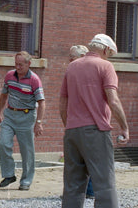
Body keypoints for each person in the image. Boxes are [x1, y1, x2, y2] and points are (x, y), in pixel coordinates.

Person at [59, 34, 130, 208]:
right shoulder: (105, 66)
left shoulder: (72, 67)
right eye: (109, 53)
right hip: (96, 131)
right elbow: (113, 100)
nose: (109, 57)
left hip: (72, 131)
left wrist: (69, 125)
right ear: (105, 49)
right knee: (104, 184)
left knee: (72, 185)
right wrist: (124, 127)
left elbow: (62, 102)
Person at [0, 51, 46, 191]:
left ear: (29, 64)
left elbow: (42, 103)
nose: (17, 67)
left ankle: (26, 181)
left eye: (21, 64)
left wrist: (39, 123)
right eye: (16, 64)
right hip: (10, 115)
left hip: (27, 117)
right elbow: (3, 96)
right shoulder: (9, 76)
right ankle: (9, 175)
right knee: (3, 143)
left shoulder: (34, 79)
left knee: (27, 151)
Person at [68, 44, 94, 199]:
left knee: (89, 158)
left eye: (72, 57)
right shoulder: (72, 73)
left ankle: (89, 191)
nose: (70, 60)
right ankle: (77, 192)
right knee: (75, 160)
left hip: (87, 122)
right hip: (75, 121)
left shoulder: (88, 75)